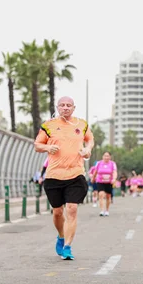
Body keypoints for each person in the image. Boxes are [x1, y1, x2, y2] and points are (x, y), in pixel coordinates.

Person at [34, 96, 94, 260]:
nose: (65, 108)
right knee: (57, 212)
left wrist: (87, 150)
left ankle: (67, 246)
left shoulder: (81, 124)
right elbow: (37, 145)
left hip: (75, 174)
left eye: (69, 105)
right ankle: (61, 236)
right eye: (62, 105)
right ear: (57, 108)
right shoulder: (48, 125)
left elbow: (90, 140)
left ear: (74, 108)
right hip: (54, 175)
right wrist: (47, 146)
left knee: (72, 209)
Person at [91, 152, 118, 217]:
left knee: (108, 196)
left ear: (110, 157)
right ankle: (102, 210)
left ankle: (107, 210)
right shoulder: (99, 163)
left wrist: (114, 179)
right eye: (105, 156)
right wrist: (93, 178)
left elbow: (114, 172)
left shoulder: (112, 164)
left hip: (109, 182)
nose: (106, 157)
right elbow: (95, 172)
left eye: (108, 156)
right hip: (100, 181)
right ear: (102, 157)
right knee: (101, 194)